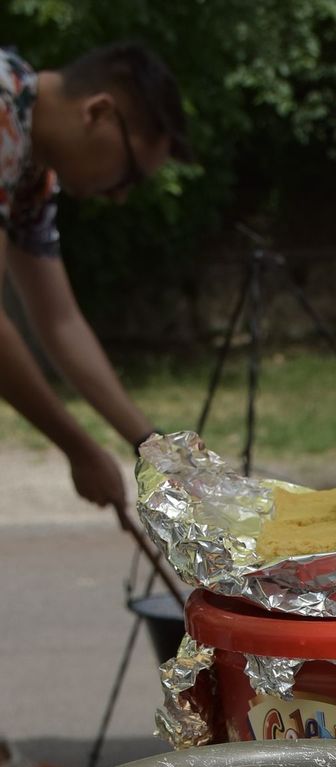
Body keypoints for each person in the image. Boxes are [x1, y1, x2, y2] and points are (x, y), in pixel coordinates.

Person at [0, 41, 190, 520]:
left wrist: (152, 447)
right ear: (99, 113)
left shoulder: (31, 170)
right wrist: (79, 448)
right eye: (130, 173)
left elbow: (60, 321)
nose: (121, 195)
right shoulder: (2, 108)